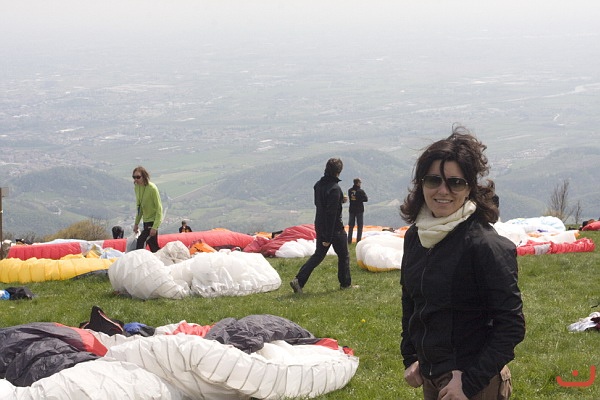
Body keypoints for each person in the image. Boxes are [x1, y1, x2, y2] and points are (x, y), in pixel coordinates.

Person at [400, 126, 525, 400]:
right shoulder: (416, 237)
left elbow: (511, 326)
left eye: (455, 182)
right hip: (433, 375)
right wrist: (411, 356)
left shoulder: (484, 246)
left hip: (473, 382)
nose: (443, 190)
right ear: (421, 184)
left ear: (469, 188)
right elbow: (412, 301)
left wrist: (469, 384)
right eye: (433, 180)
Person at [290, 158, 354, 293]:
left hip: (319, 223)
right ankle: (345, 284)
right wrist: (327, 237)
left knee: (318, 255)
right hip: (334, 229)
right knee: (344, 256)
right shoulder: (335, 188)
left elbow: (320, 204)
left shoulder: (318, 185)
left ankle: (299, 280)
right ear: (338, 171)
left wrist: (339, 200)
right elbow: (331, 214)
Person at [132, 166, 163, 253]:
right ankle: (162, 259)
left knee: (140, 241)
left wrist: (155, 227)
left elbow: (159, 209)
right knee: (153, 247)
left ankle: (139, 259)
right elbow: (139, 207)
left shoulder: (152, 188)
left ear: (144, 176)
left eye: (138, 177)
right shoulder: (137, 187)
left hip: (153, 221)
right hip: (145, 221)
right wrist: (136, 223)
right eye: (134, 177)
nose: (136, 179)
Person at [347, 178, 368, 244]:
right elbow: (366, 199)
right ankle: (358, 240)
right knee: (360, 226)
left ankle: (349, 240)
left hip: (352, 209)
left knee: (351, 226)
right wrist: (360, 199)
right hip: (359, 210)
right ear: (358, 183)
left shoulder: (350, 190)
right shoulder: (361, 191)